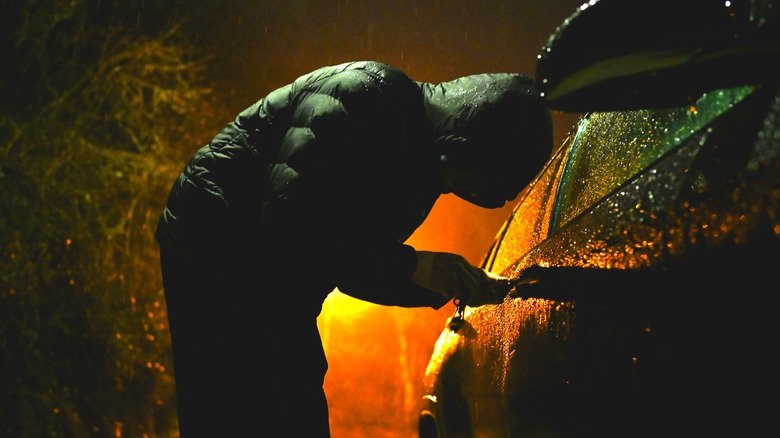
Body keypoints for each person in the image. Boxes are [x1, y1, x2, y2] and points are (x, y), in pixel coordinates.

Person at [155, 61, 553, 437]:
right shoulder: (363, 98)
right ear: (470, 145)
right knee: (240, 395)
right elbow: (288, 222)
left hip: (272, 270)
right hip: (214, 238)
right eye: (477, 181)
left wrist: (442, 281)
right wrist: (413, 266)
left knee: (290, 389)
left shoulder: (422, 170)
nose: (463, 193)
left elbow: (354, 269)